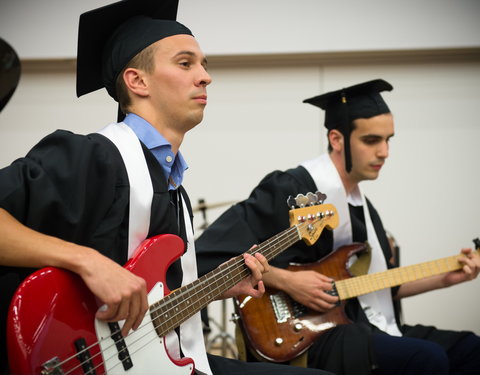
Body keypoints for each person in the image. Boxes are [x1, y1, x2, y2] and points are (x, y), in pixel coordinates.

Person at [0, 1, 333, 374]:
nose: (205, 77)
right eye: (186, 63)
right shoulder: (91, 156)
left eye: (204, 65)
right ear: (137, 81)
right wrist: (86, 261)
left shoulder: (171, 185)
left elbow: (145, 306)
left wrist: (219, 287)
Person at [195, 79, 480, 375]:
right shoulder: (293, 189)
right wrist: (286, 280)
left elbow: (377, 287)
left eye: (388, 140)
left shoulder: (364, 209)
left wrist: (448, 277)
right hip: (313, 334)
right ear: (336, 139)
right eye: (372, 141)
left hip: (359, 324)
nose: (384, 152)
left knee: (470, 349)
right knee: (425, 358)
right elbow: (210, 253)